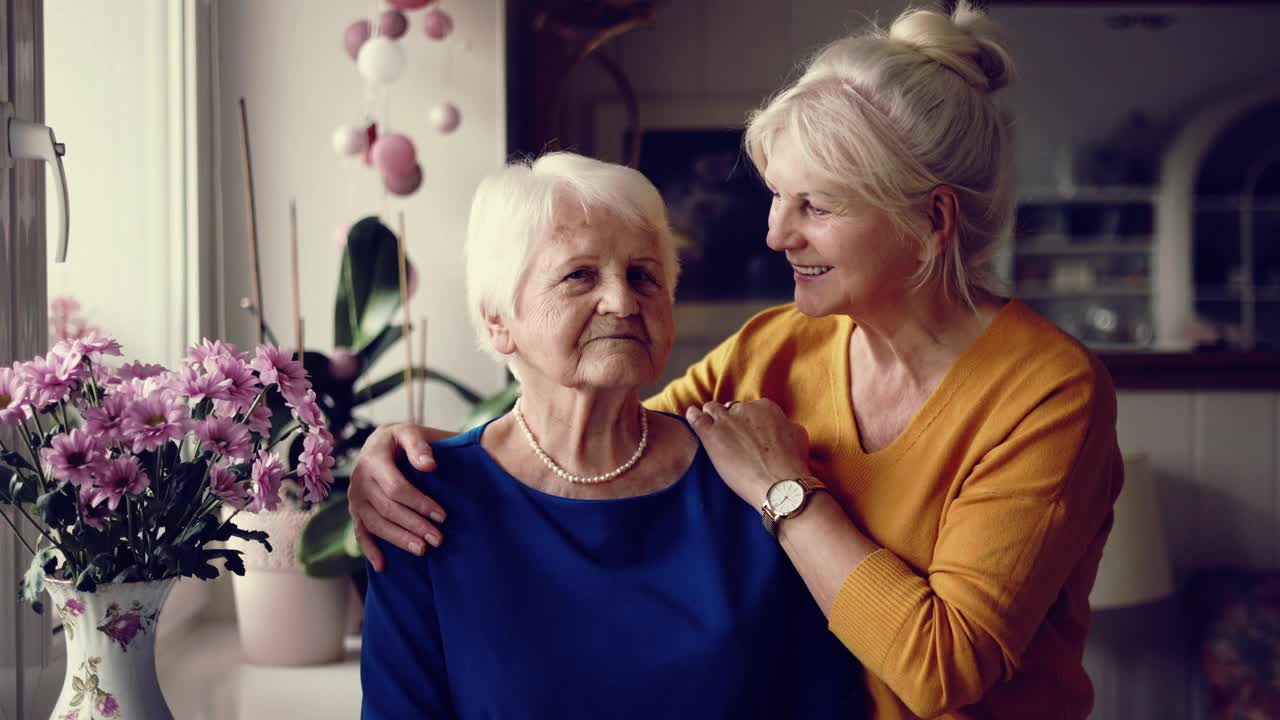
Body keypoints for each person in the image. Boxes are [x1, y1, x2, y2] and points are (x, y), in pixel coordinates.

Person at [350, 3, 1124, 718]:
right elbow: (603, 439)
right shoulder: (776, 346)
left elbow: (942, 668)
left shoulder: (1047, 393)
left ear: (932, 217)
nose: (776, 234)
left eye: (815, 206)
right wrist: (417, 457)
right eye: (777, 199)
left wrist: (787, 491)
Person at [358, 152, 864, 719]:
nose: (623, 302)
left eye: (643, 276)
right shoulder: (421, 502)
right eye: (579, 275)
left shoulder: (750, 479)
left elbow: (824, 703)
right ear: (499, 320)